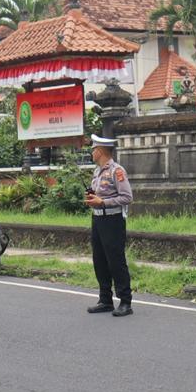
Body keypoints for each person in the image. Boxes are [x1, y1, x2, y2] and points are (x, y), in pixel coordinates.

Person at [85, 134, 134, 317]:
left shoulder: (117, 170)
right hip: (97, 219)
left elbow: (127, 197)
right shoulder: (97, 171)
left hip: (112, 220)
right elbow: (100, 195)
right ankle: (105, 299)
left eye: (93, 149)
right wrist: (93, 199)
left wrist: (103, 202)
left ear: (99, 151)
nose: (91, 153)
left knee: (116, 261)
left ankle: (125, 301)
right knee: (100, 260)